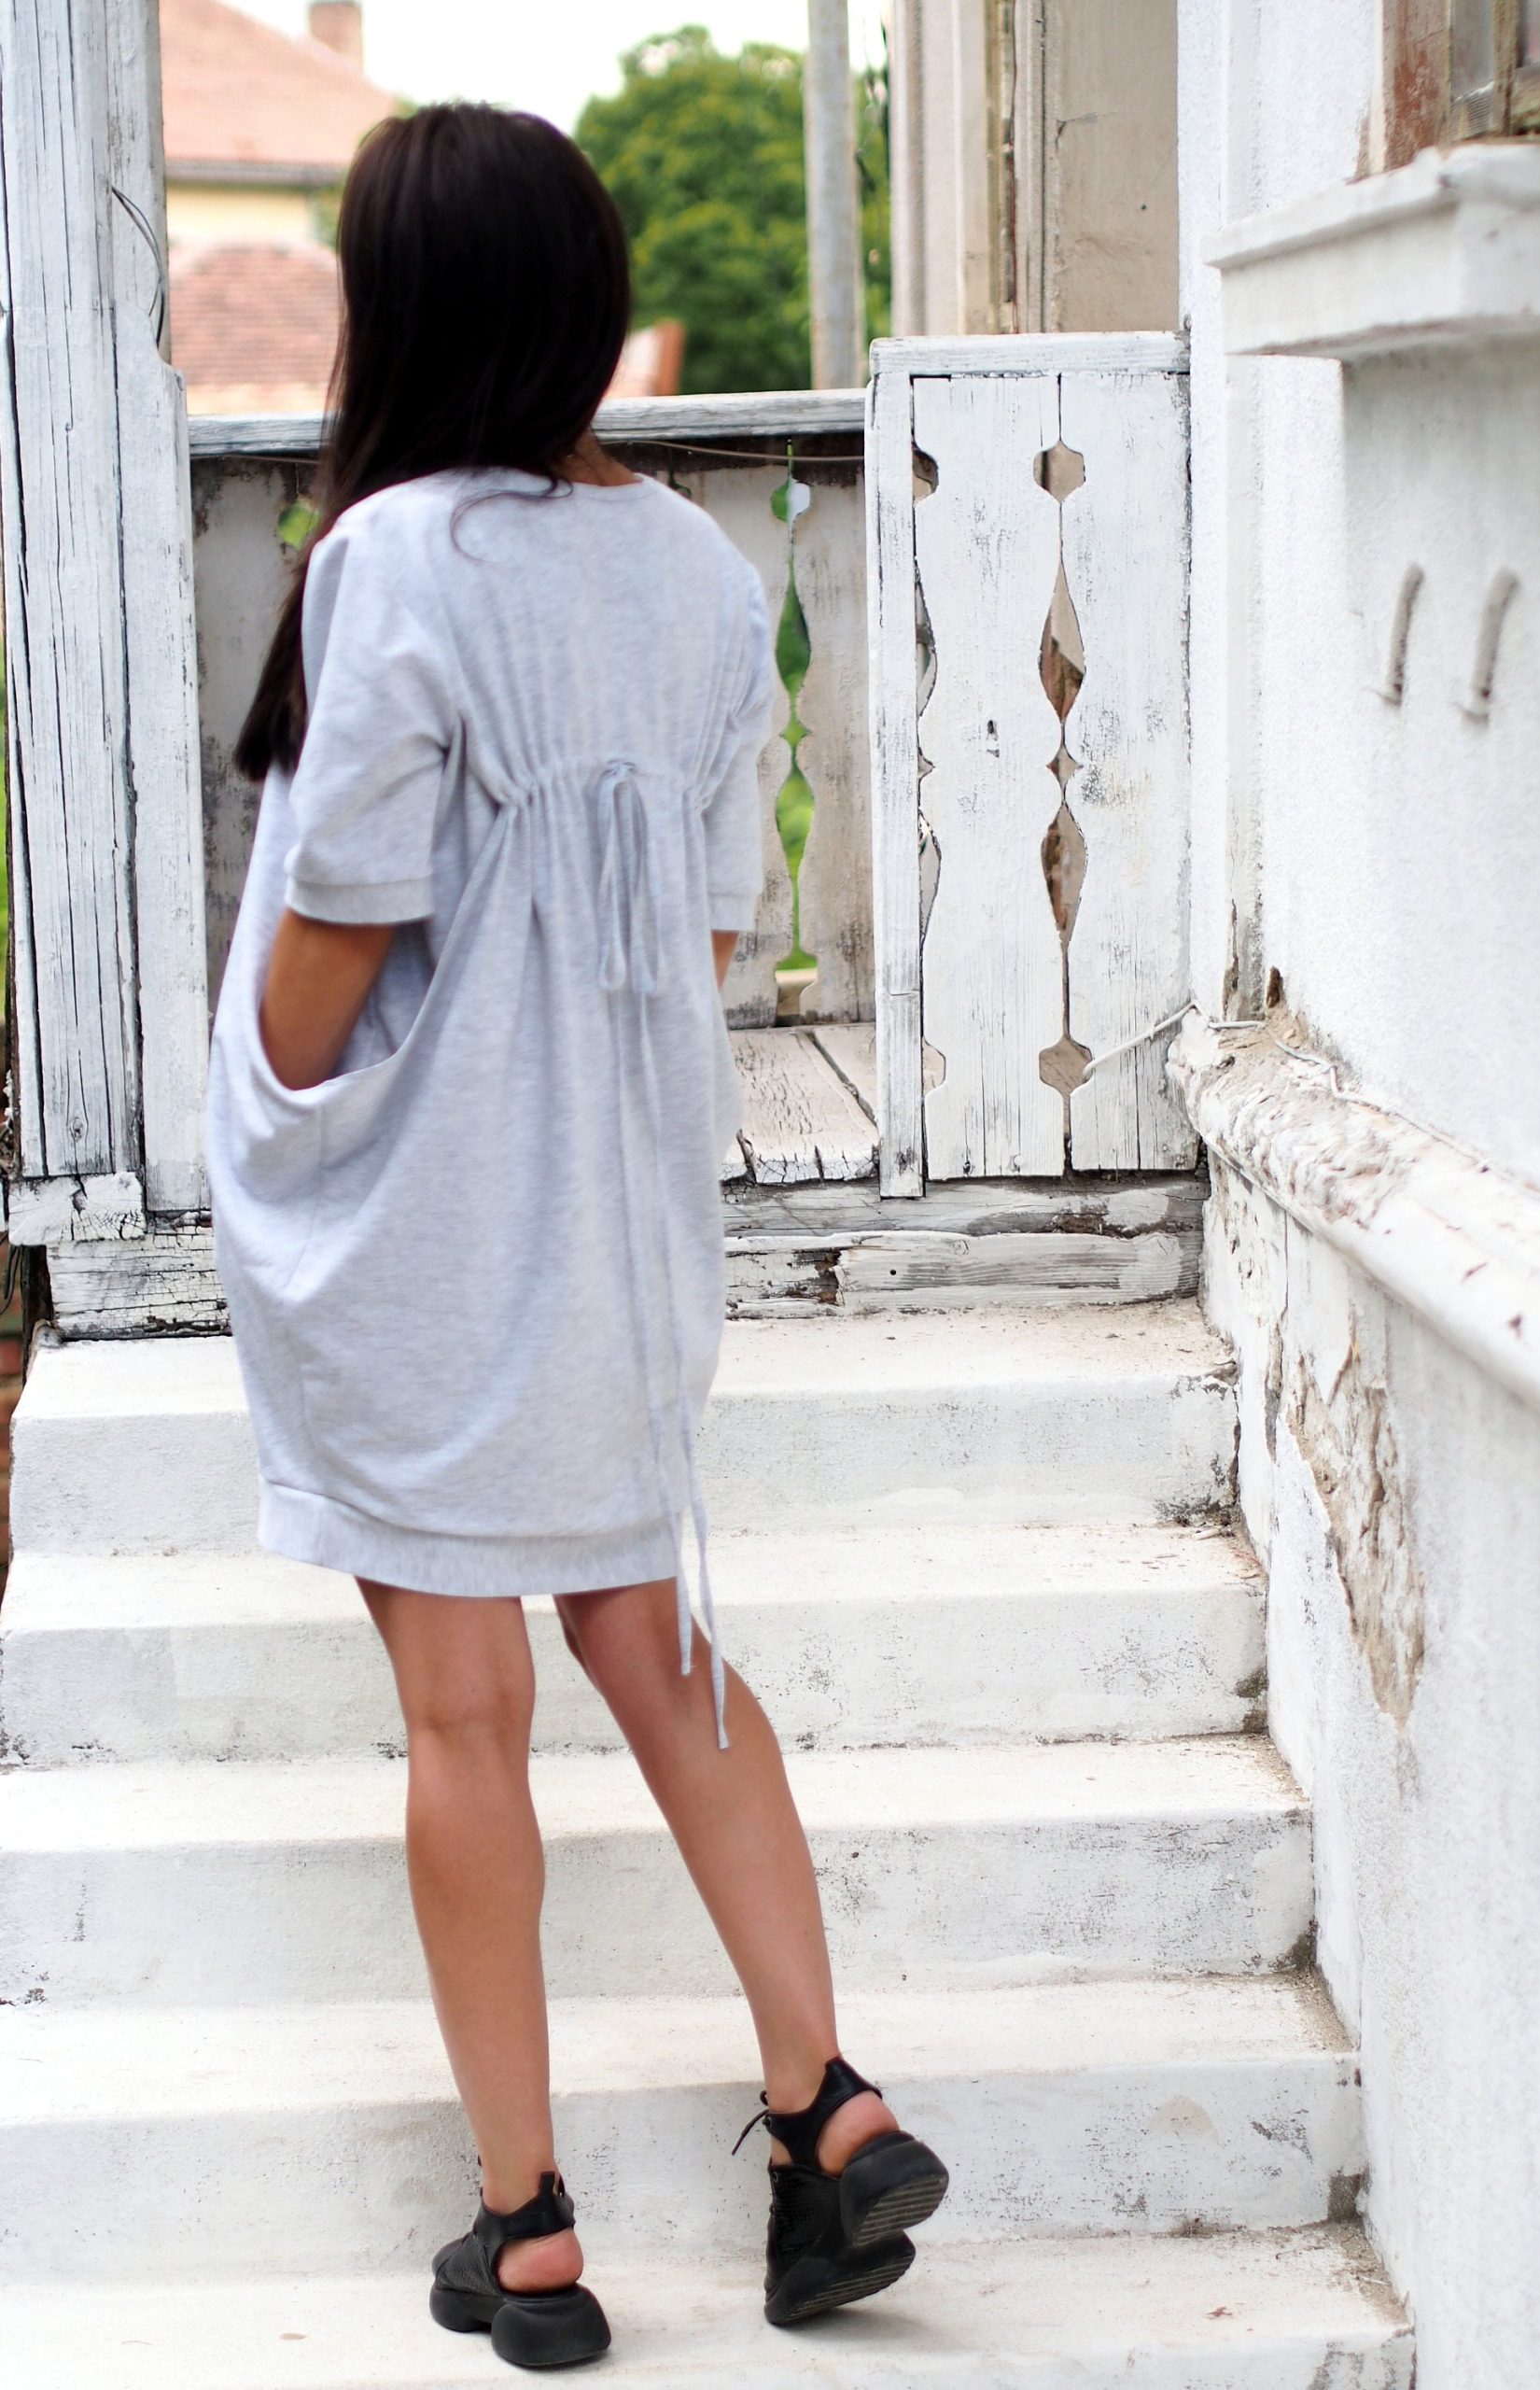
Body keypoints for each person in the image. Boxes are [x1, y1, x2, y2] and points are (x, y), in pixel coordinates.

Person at [207, 101, 947, 2374]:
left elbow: (326, 964)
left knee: (464, 1705)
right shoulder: (705, 578)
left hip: (428, 1219)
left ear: (403, 308)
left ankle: (525, 2224)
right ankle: (825, 2101)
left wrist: (282, 1091)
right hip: (617, 1210)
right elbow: (704, 934)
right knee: (662, 1637)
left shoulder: (394, 559)